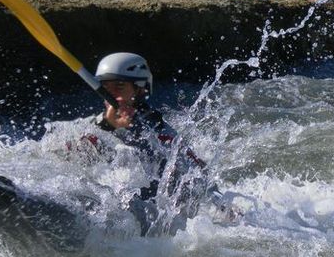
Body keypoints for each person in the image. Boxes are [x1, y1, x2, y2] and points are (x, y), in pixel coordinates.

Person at [74, 52, 232, 236]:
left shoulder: (161, 132)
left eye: (119, 86)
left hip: (155, 220)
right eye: (105, 87)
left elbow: (200, 174)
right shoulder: (96, 124)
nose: (111, 93)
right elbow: (74, 156)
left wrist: (226, 210)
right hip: (118, 211)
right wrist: (108, 127)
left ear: (139, 90)